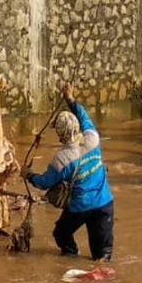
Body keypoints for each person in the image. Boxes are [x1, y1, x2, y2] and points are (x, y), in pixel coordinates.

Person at [24, 86, 115, 261]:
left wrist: (28, 174)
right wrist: (70, 99)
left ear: (60, 136)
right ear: (77, 127)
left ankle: (70, 258)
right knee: (103, 256)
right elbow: (84, 116)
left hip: (80, 207)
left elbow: (44, 182)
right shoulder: (93, 139)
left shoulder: (62, 160)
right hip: (104, 204)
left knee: (61, 234)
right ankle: (102, 280)